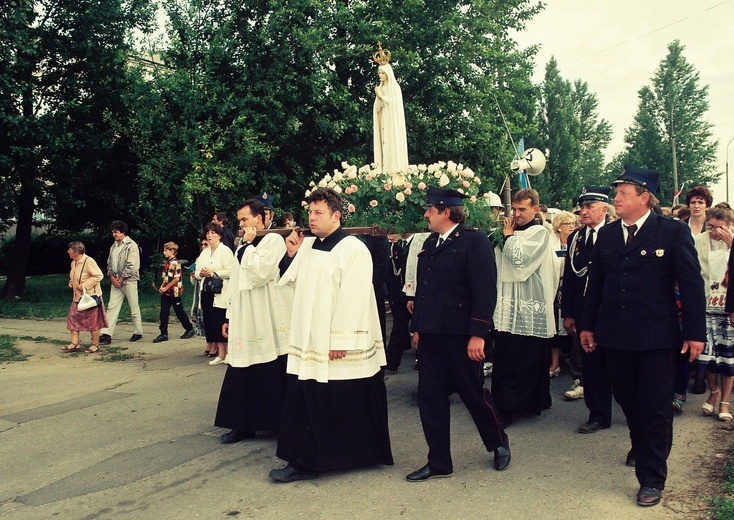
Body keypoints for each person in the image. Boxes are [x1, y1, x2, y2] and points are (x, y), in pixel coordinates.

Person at [580, 165, 705, 507]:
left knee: (654, 406)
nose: (615, 198)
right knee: (627, 399)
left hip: (657, 338)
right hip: (615, 336)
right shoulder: (607, 235)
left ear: (644, 196)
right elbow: (597, 286)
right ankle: (645, 442)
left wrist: (695, 333)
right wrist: (588, 326)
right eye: (616, 192)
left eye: (622, 193)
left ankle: (651, 478)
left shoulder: (672, 232)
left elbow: (692, 285)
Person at [269, 188, 393, 482]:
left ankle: (319, 461)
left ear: (336, 216)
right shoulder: (309, 245)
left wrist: (341, 341)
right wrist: (290, 254)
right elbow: (289, 278)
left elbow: (356, 297)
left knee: (339, 400)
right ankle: (306, 459)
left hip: (337, 341)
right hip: (310, 339)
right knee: (309, 398)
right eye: (310, 212)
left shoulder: (354, 249)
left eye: (318, 213)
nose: (311, 218)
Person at [406, 187, 510, 482]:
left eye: (429, 209)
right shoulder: (429, 243)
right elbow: (424, 291)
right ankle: (439, 460)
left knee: (473, 394)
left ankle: (498, 442)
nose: (425, 214)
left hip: (461, 336)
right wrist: (418, 330)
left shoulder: (473, 241)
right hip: (432, 336)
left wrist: (478, 334)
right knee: (431, 399)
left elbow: (485, 291)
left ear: (445, 211)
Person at [214, 199, 292, 444]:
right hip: (243, 314)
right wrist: (229, 316)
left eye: (245, 219)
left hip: (264, 314)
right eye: (239, 220)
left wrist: (247, 246)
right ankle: (241, 425)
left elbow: (260, 274)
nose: (241, 224)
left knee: (269, 369)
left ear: (260, 218)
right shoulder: (242, 244)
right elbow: (236, 282)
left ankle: (276, 423)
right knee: (240, 369)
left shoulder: (273, 240)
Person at [492, 189, 558, 427]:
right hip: (508, 302)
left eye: (522, 209)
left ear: (535, 209)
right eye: (515, 209)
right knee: (507, 356)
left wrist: (509, 237)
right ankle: (505, 404)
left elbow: (520, 262)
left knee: (527, 358)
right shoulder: (505, 231)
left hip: (530, 302)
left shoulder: (540, 232)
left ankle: (526, 402)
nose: (517, 214)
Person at [561, 186, 612, 434]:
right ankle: (598, 414)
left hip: (612, 310)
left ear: (605, 208)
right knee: (591, 366)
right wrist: (568, 312)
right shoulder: (576, 239)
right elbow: (570, 277)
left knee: (619, 366)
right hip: (585, 311)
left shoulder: (614, 234)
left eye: (590, 206)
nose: (583, 212)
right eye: (582, 207)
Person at [696, 205, 734, 421]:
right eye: (710, 227)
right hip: (706, 305)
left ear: (729, 226)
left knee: (728, 358)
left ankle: (725, 402)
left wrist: (731, 246)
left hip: (729, 308)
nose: (714, 232)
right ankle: (713, 392)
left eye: (719, 228)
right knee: (708, 355)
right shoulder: (699, 241)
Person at [195, 222, 234, 366]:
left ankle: (229, 352)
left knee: (220, 320)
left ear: (219, 235)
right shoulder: (204, 252)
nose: (210, 235)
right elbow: (197, 272)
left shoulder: (225, 251)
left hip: (220, 291)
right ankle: (220, 353)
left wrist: (214, 273)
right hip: (206, 291)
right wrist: (202, 273)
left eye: (213, 233)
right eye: (208, 233)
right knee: (211, 321)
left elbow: (230, 270)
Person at [99, 221, 143, 345]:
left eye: (116, 232)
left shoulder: (131, 245)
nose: (113, 234)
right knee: (112, 307)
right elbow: (109, 263)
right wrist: (112, 277)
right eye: (112, 232)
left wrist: (122, 279)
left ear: (123, 232)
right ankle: (106, 334)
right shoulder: (114, 246)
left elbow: (132, 265)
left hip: (129, 281)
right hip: (116, 281)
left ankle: (138, 331)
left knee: (133, 306)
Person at [65, 241, 108, 354]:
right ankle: (75, 343)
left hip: (89, 298)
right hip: (77, 297)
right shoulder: (74, 263)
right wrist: (71, 282)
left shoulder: (89, 261)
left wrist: (84, 285)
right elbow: (74, 275)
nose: (68, 251)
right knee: (72, 318)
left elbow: (99, 275)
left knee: (92, 321)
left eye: (70, 250)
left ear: (77, 251)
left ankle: (95, 344)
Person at [372, 44, 408, 173]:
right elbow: (377, 108)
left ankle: (394, 171)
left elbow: (394, 104)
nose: (380, 75)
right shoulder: (381, 87)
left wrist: (381, 96)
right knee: (384, 146)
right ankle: (384, 170)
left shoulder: (394, 87)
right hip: (383, 121)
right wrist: (378, 97)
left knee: (392, 146)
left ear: (388, 73)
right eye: (379, 73)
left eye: (383, 73)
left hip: (392, 122)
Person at [548, 211, 576, 378]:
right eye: (567, 224)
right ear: (558, 227)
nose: (571, 227)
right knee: (555, 329)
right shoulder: (552, 244)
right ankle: (555, 363)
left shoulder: (576, 242)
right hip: (555, 290)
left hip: (570, 291)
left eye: (573, 223)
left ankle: (574, 362)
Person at [152, 242, 195, 343]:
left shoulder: (176, 263)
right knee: (164, 312)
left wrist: (166, 288)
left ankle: (189, 329)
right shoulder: (167, 262)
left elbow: (176, 279)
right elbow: (166, 277)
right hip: (166, 292)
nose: (164, 252)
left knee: (179, 312)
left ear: (172, 251)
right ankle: (163, 333)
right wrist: (162, 287)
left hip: (174, 292)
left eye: (166, 250)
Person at [384, 233, 412, 372]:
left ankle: (393, 359)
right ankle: (392, 360)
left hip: (413, 293)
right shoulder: (399, 246)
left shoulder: (412, 245)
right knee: (399, 325)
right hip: (403, 293)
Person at [189, 237, 208, 338]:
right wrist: (193, 275)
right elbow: (195, 278)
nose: (203, 247)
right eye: (202, 245)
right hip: (198, 288)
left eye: (206, 244)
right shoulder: (199, 258)